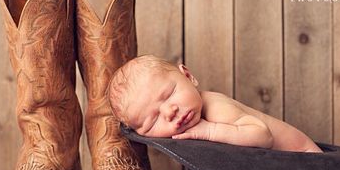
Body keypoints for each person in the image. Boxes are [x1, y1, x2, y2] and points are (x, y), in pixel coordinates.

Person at [107, 55, 323, 153]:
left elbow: (263, 137)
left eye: (170, 94)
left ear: (188, 76)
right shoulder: (190, 122)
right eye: (152, 120)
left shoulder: (214, 107)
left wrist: (209, 131)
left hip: (305, 159)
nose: (169, 112)